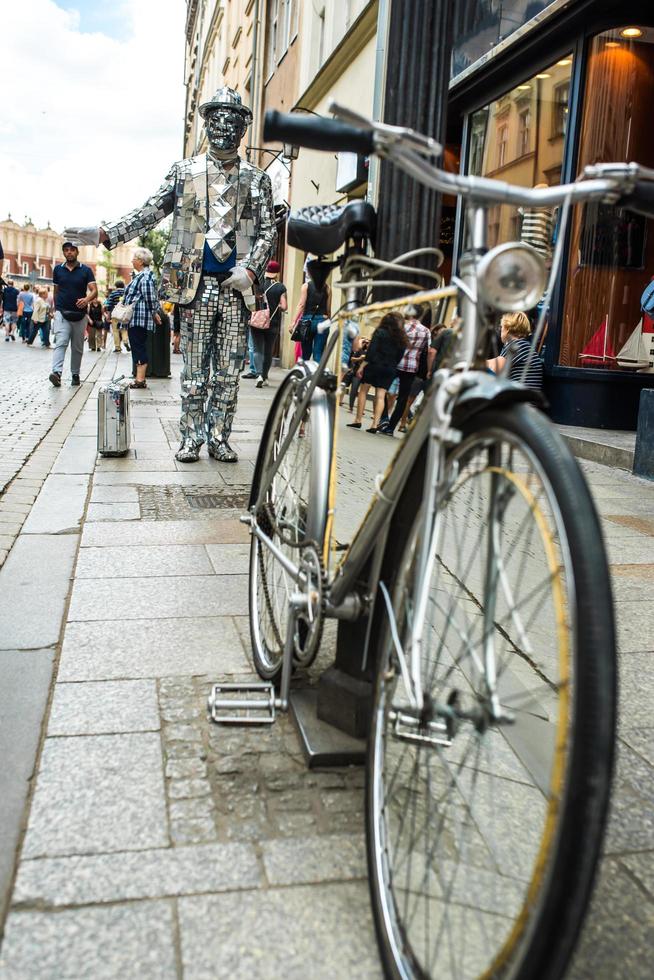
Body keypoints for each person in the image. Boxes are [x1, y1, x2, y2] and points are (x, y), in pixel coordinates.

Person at [76, 86, 275, 463]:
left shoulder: (258, 180)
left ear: (243, 127)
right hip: (196, 288)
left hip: (236, 290)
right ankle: (191, 438)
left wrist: (251, 269)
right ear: (207, 123)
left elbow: (268, 230)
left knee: (229, 371)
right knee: (196, 369)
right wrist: (109, 233)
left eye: (232, 120)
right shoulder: (185, 172)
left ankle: (219, 437)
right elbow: (153, 209)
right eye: (216, 119)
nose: (224, 127)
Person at [347, 312, 407, 433]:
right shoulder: (402, 338)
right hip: (390, 368)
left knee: (363, 391)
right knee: (380, 395)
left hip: (374, 365)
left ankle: (358, 420)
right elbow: (400, 356)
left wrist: (362, 366)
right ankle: (375, 424)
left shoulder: (380, 332)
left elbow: (371, 351)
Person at [49, 242, 97, 387]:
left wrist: (87, 300)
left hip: (80, 315)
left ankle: (75, 374)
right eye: (66, 250)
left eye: (72, 250)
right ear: (64, 253)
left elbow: (94, 290)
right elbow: (56, 291)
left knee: (77, 347)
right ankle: (56, 373)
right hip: (62, 313)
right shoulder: (58, 269)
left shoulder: (86, 270)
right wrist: (55, 309)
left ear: (77, 252)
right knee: (61, 342)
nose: (69, 252)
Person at [378, 305, 431, 436]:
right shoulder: (426, 331)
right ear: (420, 315)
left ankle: (384, 418)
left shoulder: (403, 327)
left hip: (395, 363)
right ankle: (390, 428)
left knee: (382, 389)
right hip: (412, 367)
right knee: (403, 398)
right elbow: (429, 351)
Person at [122, 247, 162, 389]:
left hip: (139, 318)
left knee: (138, 346)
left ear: (140, 261)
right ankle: (140, 378)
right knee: (137, 345)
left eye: (134, 258)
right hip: (137, 318)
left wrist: (155, 312)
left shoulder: (144, 277)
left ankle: (140, 380)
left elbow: (150, 297)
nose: (132, 260)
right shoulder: (142, 276)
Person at [249, 259, 287, 387]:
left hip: (256, 321)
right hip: (273, 322)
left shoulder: (257, 285)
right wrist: (278, 307)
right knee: (268, 350)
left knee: (257, 349)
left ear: (266, 270)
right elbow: (284, 306)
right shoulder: (280, 287)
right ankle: (264, 376)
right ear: (277, 272)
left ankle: (258, 374)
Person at [487, 311, 544, 389]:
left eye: (502, 327)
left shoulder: (516, 345)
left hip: (521, 398)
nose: (500, 330)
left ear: (507, 329)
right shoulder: (523, 346)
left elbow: (494, 367)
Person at [293, 260, 332, 363]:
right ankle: (317, 377)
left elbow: (301, 305)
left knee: (305, 353)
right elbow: (328, 309)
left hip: (307, 322)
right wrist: (329, 319)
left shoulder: (306, 286)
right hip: (323, 321)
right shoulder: (328, 288)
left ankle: (306, 376)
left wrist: (293, 322)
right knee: (318, 353)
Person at [105, 278, 129, 352]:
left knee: (115, 331)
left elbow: (109, 305)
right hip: (124, 314)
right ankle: (125, 341)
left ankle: (117, 347)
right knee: (124, 329)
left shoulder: (113, 293)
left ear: (116, 286)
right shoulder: (126, 293)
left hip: (115, 314)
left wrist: (108, 315)